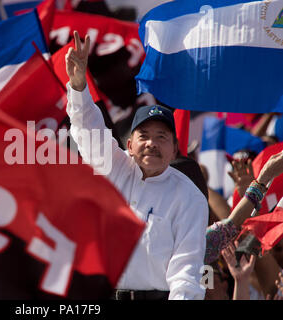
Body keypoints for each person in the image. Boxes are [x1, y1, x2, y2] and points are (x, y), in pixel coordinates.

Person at [65, 31, 208, 300]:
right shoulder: (114, 166)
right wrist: (79, 85)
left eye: (162, 137)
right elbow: (87, 128)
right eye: (144, 136)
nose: (152, 144)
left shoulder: (189, 197)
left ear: (174, 149)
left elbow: (186, 272)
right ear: (129, 145)